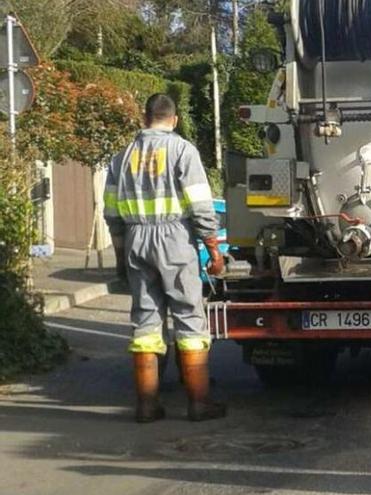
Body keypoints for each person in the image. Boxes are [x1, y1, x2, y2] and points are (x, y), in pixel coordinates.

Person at [104, 94, 227, 423]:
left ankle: (146, 405)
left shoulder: (121, 157)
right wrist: (214, 250)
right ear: (174, 120)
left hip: (135, 239)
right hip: (174, 239)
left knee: (145, 321)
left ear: (145, 119)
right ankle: (199, 403)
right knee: (188, 315)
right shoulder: (183, 150)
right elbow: (201, 205)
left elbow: (112, 212)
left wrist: (120, 253)